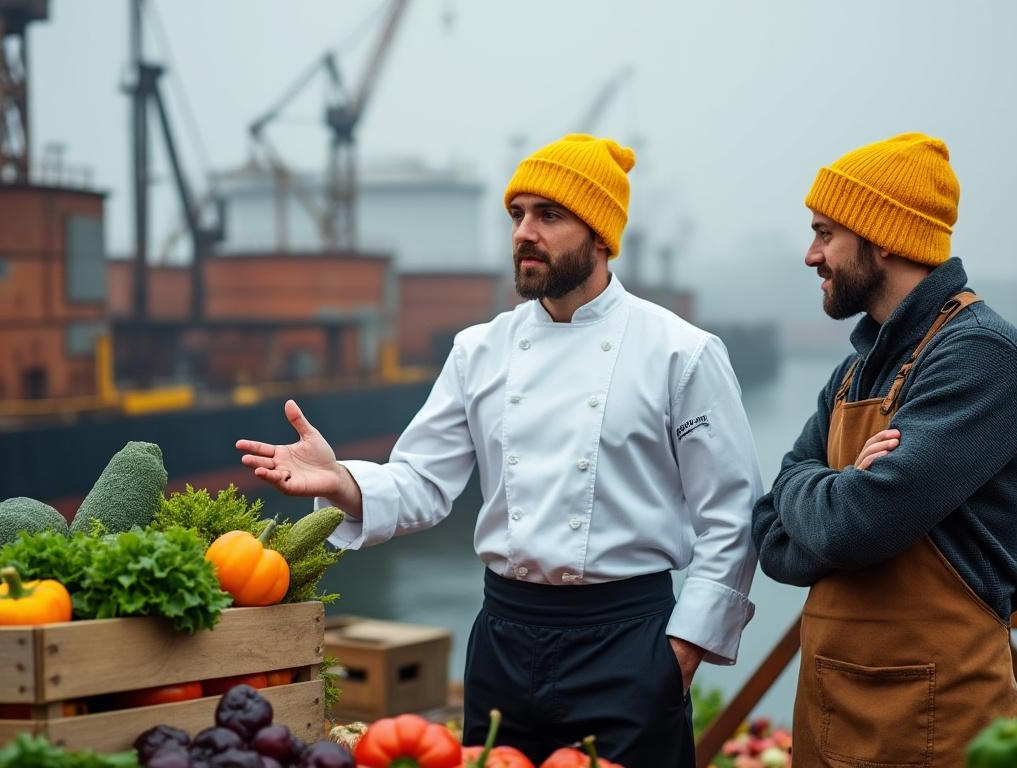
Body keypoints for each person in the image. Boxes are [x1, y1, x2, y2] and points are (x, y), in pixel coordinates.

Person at [237, 134, 763, 766]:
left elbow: (731, 515)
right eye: (517, 214)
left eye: (549, 215)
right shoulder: (478, 350)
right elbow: (423, 481)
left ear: (600, 235)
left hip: (627, 641)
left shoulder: (682, 353)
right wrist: (341, 481)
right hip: (503, 642)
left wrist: (681, 652)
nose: (524, 233)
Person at [751, 133, 1017, 766]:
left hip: (940, 722)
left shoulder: (981, 355)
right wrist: (833, 491)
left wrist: (820, 495)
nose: (811, 255)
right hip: (827, 711)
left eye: (826, 233)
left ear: (882, 237)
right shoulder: (854, 372)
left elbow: (853, 527)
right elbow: (771, 534)